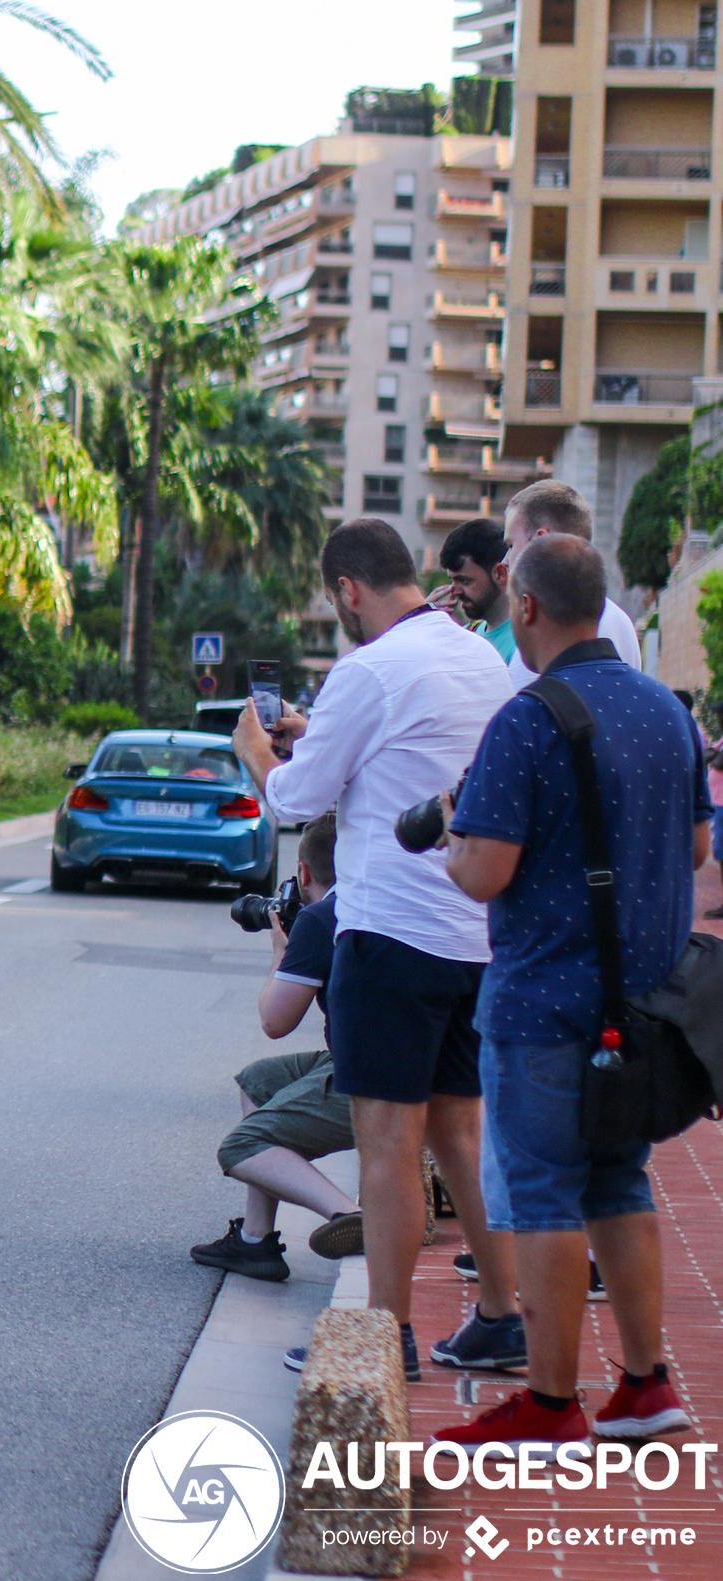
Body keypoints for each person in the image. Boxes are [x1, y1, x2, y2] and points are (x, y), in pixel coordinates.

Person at [433, 534, 709, 1448]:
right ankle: (646, 1383)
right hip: (645, 1006)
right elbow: (699, 850)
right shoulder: (669, 712)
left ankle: (550, 1403)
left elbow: (484, 871)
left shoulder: (527, 717)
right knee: (621, 1180)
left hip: (543, 1002)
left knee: (545, 1195)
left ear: (526, 610)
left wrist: (449, 834)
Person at [231, 518, 520, 1381]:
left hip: (392, 934)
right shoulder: (477, 657)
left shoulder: (367, 668)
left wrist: (258, 752)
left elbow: (298, 798)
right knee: (462, 1135)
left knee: (389, 1145)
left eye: (335, 601)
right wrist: (319, 731)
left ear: (348, 591)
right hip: (474, 931)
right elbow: (406, 751)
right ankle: (502, 1314)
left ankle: (381, 1337)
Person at [191, 813, 359, 1283]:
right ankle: (255, 1242)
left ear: (303, 873)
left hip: (367, 1074)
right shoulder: (380, 904)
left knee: (244, 1145)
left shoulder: (323, 919)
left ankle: (349, 1216)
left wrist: (282, 953)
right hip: (413, 1061)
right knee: (259, 1080)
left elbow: (275, 1021)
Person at [499, 480, 642, 687]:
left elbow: (518, 710)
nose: (505, 561)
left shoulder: (543, 625)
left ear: (541, 541)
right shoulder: (622, 621)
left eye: (511, 545)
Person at [433, 516, 515, 662]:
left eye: (464, 580)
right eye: (452, 580)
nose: (456, 591)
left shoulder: (524, 644)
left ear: (500, 574)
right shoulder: (466, 635)